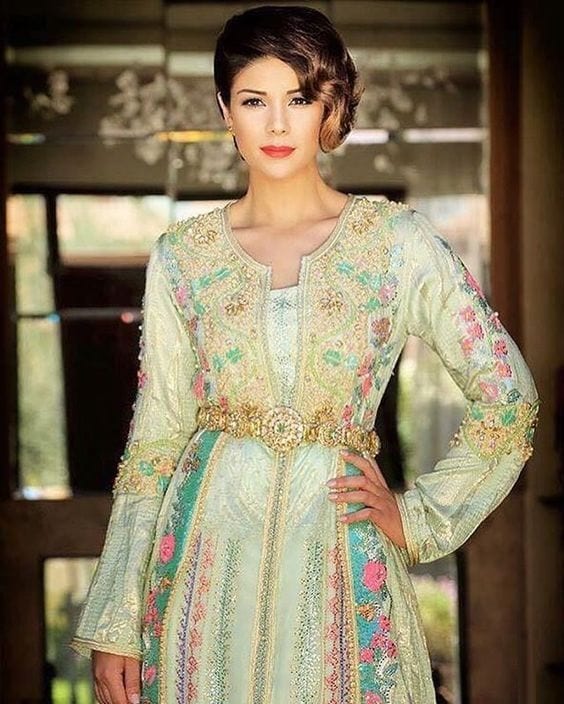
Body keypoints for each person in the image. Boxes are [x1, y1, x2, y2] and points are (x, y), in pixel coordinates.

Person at [69, 5, 540, 704]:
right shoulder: (182, 257)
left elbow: (509, 397)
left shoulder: (397, 243)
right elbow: (155, 441)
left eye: (298, 98)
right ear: (225, 110)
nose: (277, 124)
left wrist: (419, 516)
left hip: (339, 547)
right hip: (202, 560)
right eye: (254, 100)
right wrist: (117, 617)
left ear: (331, 105)